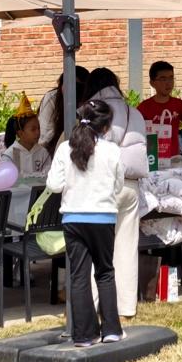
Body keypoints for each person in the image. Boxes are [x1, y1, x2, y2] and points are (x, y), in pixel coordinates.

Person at [47, 99, 125, 347]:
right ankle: (111, 330)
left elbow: (54, 185)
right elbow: (119, 185)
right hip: (103, 216)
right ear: (106, 126)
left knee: (79, 276)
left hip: (73, 217)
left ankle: (83, 335)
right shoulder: (112, 150)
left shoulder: (65, 148)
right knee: (105, 272)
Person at [86, 67, 146, 319]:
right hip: (130, 183)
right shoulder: (134, 112)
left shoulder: (92, 112)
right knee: (126, 247)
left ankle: (90, 306)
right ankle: (126, 307)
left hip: (102, 185)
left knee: (94, 249)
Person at [136, 61, 182, 162]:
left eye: (171, 78)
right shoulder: (143, 108)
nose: (168, 82)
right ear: (152, 83)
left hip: (174, 159)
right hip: (151, 160)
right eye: (163, 79)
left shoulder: (179, 104)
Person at [38, 65, 89, 158]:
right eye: (64, 82)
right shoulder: (52, 98)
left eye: (73, 85)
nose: (65, 88)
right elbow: (44, 135)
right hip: (52, 150)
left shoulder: (86, 101)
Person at [3, 95, 51, 177]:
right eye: (33, 129)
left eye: (39, 128)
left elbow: (49, 175)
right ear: (20, 133)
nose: (38, 132)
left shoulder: (43, 153)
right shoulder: (11, 155)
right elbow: (7, 178)